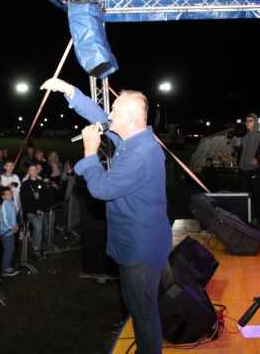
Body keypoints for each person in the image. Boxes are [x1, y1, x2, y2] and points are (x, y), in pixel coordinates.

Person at [41, 78, 172, 354]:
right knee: (134, 304)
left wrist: (90, 152)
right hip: (132, 243)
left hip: (142, 248)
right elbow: (99, 116)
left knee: (144, 312)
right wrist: (69, 91)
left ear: (131, 117)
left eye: (114, 110)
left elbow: (102, 189)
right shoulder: (131, 140)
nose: (109, 114)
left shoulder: (142, 153)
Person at [229, 113, 260, 228]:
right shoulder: (245, 137)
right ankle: (247, 217)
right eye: (246, 121)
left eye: (250, 120)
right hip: (243, 171)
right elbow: (241, 151)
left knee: (258, 195)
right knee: (245, 195)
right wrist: (231, 140)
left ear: (255, 122)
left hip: (255, 170)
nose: (247, 123)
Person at [20, 163, 48, 258]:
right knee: (39, 227)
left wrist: (43, 209)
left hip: (41, 211)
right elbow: (24, 201)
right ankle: (36, 248)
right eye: (31, 169)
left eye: (35, 169)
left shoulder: (42, 183)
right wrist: (35, 210)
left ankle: (36, 245)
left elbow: (45, 198)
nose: (34, 171)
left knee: (39, 229)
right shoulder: (25, 185)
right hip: (30, 212)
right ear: (28, 172)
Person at [0, 187, 20, 276]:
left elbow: (13, 216)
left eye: (10, 193)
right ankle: (5, 269)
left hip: (11, 230)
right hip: (6, 232)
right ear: (3, 196)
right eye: (7, 194)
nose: (10, 195)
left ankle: (8, 266)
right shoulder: (4, 206)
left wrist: (15, 225)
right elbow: (4, 219)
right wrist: (11, 227)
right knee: (8, 250)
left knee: (11, 249)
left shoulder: (11, 203)